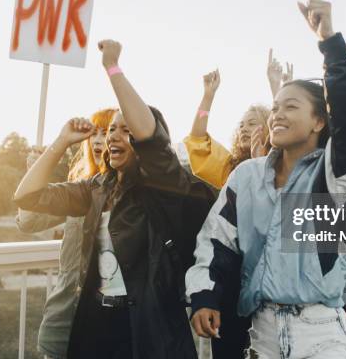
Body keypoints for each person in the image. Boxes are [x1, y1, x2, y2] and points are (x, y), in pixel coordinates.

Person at [186, 0, 346, 359]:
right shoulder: (246, 176)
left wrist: (331, 43)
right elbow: (218, 241)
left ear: (319, 121)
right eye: (275, 107)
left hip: (321, 332)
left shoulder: (335, 177)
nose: (276, 114)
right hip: (261, 332)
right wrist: (205, 295)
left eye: (291, 106)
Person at [14, 40, 215, 359]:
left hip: (149, 329)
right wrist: (61, 142)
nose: (113, 136)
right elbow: (28, 195)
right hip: (96, 326)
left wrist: (112, 67)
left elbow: (151, 140)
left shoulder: (166, 187)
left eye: (125, 130)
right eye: (111, 130)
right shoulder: (96, 187)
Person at [16, 108, 116, 359]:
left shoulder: (126, 193)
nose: (98, 140)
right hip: (64, 317)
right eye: (95, 133)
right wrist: (37, 170)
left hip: (108, 322)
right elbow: (29, 221)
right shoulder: (78, 189)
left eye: (107, 132)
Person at [184, 69, 271, 189]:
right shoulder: (231, 168)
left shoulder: (281, 161)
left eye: (252, 123)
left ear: (269, 128)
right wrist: (208, 96)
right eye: (241, 126)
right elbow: (197, 140)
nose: (244, 129)